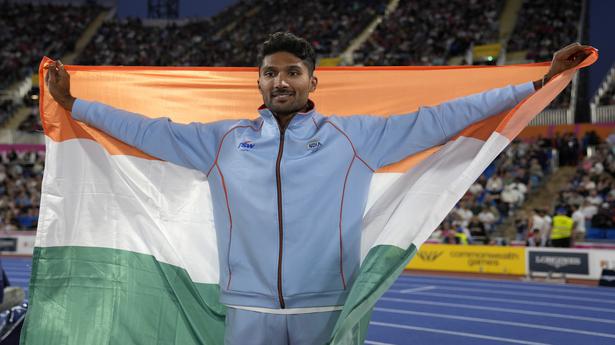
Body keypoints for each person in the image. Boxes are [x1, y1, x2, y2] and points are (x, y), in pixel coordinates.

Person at [45, 32, 592, 344]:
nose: (280, 81)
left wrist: (540, 83)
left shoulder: (356, 138)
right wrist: (74, 107)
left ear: (312, 80)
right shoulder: (221, 140)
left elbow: (445, 116)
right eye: (269, 73)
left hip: (325, 305)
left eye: (291, 72)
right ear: (258, 81)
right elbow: (147, 131)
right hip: (246, 309)